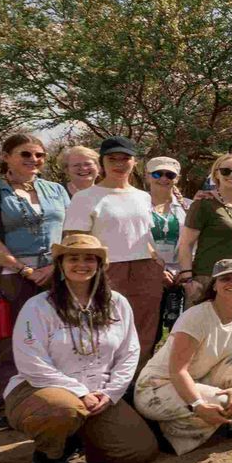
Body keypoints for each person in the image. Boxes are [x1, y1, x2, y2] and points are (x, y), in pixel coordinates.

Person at [7, 231, 158, 463]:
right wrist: (79, 392)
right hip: (42, 389)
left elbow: (129, 353)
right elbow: (31, 363)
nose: (81, 264)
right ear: (60, 265)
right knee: (64, 409)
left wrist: (110, 393)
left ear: (100, 265)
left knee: (139, 451)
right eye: (73, 258)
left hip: (98, 393)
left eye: (89, 258)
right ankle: (49, 455)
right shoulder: (38, 306)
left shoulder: (117, 303)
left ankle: (80, 438)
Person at [0, 133, 71, 432]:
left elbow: (69, 231)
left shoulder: (55, 190)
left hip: (55, 272)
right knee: (11, 340)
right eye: (25, 154)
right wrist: (24, 269)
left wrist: (54, 265)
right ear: (6, 157)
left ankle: (51, 402)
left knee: (57, 338)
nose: (33, 160)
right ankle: (4, 406)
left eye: (39, 155)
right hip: (8, 276)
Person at [134, 257, 232, 450]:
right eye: (225, 278)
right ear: (214, 285)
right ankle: (167, 433)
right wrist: (197, 404)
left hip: (198, 379)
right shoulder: (196, 317)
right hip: (157, 386)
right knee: (224, 402)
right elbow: (177, 371)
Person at [60, 137, 161, 365]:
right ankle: (103, 377)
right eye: (112, 159)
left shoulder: (143, 196)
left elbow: (144, 235)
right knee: (106, 328)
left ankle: (138, 377)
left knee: (145, 328)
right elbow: (74, 241)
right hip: (106, 270)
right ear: (102, 162)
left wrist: (157, 263)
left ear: (134, 162)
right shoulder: (85, 197)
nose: (119, 164)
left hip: (145, 269)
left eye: (125, 158)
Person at [176, 153, 232, 305]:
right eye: (225, 171)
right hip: (207, 279)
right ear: (216, 174)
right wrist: (188, 279)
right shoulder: (203, 203)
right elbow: (185, 244)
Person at [145, 155, 190, 338]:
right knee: (149, 331)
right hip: (148, 273)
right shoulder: (136, 205)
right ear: (147, 176)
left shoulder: (189, 207)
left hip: (181, 276)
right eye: (157, 174)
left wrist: (184, 270)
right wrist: (156, 269)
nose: (163, 178)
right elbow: (132, 239)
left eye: (169, 175)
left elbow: (194, 242)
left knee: (179, 333)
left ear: (177, 178)